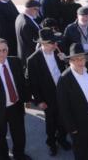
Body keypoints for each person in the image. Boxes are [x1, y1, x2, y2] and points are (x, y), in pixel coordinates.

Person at [26, 28, 69, 157]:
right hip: (47, 97)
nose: (56, 45)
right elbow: (32, 84)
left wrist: (65, 61)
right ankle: (51, 143)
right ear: (44, 44)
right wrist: (39, 101)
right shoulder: (33, 60)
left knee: (63, 120)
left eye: (55, 42)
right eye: (52, 43)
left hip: (62, 93)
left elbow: (67, 73)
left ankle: (62, 139)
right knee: (51, 122)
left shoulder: (58, 53)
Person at [57, 43, 88, 160]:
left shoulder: (87, 71)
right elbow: (63, 107)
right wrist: (71, 127)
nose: (80, 62)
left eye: (82, 58)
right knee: (80, 147)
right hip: (78, 122)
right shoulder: (64, 79)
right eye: (76, 59)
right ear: (70, 61)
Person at [62, 7, 88, 74]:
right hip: (79, 63)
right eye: (83, 16)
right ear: (77, 16)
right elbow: (65, 45)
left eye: (87, 16)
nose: (85, 18)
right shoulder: (70, 29)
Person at [15, 0, 41, 64]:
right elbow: (33, 43)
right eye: (37, 10)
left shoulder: (20, 16)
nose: (38, 12)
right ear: (31, 9)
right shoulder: (26, 23)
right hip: (30, 56)